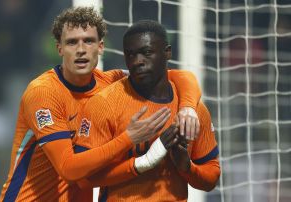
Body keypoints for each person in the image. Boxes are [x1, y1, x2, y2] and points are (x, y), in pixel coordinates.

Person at [0, 7, 202, 202]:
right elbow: (68, 168)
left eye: (88, 41)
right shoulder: (43, 93)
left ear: (101, 47)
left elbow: (178, 76)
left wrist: (188, 108)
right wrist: (129, 139)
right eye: (72, 42)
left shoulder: (109, 83)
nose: (81, 50)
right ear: (59, 48)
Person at [75, 20, 220, 201]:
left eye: (147, 53)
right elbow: (83, 178)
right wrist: (142, 162)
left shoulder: (192, 111)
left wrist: (187, 168)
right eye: (130, 55)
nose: (137, 62)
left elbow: (211, 178)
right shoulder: (104, 104)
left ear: (167, 53)